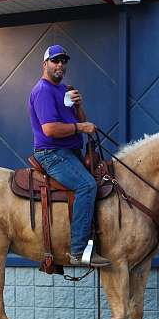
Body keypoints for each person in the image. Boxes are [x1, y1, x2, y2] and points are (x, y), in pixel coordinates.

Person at [29, 45, 111, 268]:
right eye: (55, 61)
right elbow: (50, 129)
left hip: (70, 153)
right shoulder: (43, 90)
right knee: (87, 185)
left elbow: (79, 120)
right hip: (52, 153)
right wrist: (81, 127)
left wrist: (79, 106)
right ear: (45, 64)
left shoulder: (64, 90)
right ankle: (78, 251)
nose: (60, 65)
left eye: (64, 61)